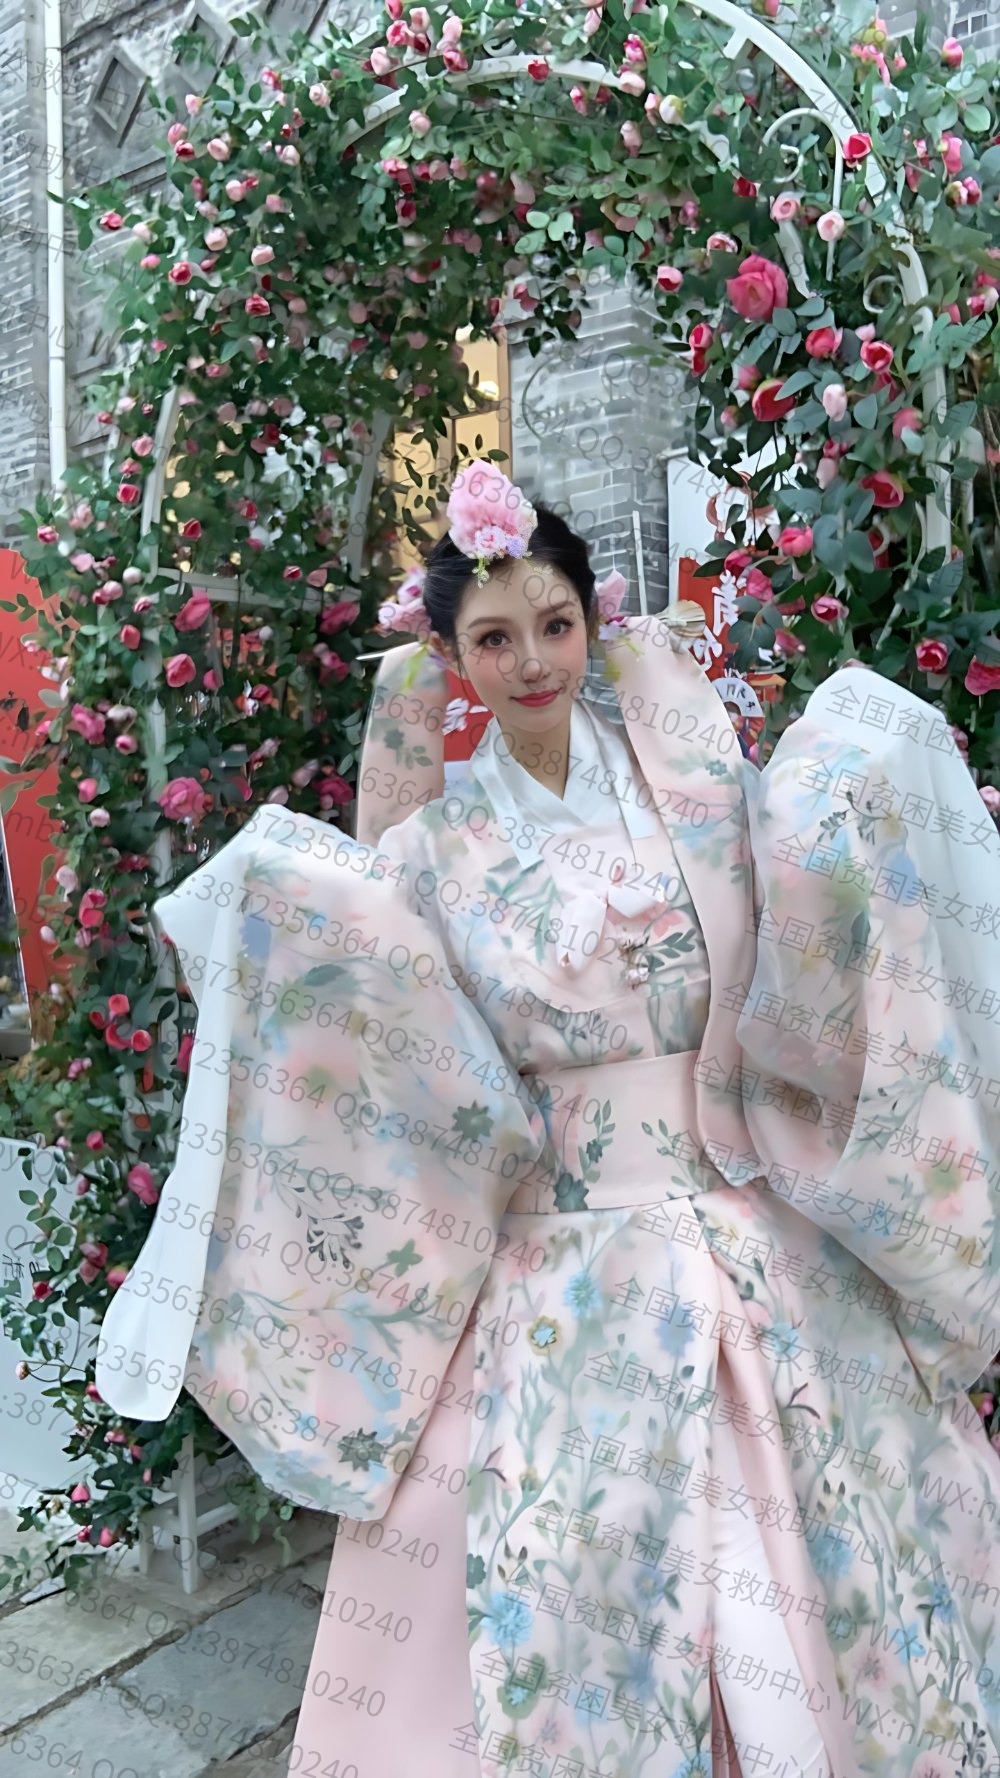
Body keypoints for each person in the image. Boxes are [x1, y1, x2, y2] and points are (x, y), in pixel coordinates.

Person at [95, 462, 1000, 1778]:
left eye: (554, 625)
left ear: (592, 623)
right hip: (553, 1265)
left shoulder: (708, 801)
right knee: (558, 1571)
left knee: (806, 1573)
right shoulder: (425, 855)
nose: (531, 661)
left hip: (739, 1231)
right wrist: (279, 928)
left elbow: (796, 963)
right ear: (453, 657)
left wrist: (851, 791)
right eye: (494, 638)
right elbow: (408, 1067)